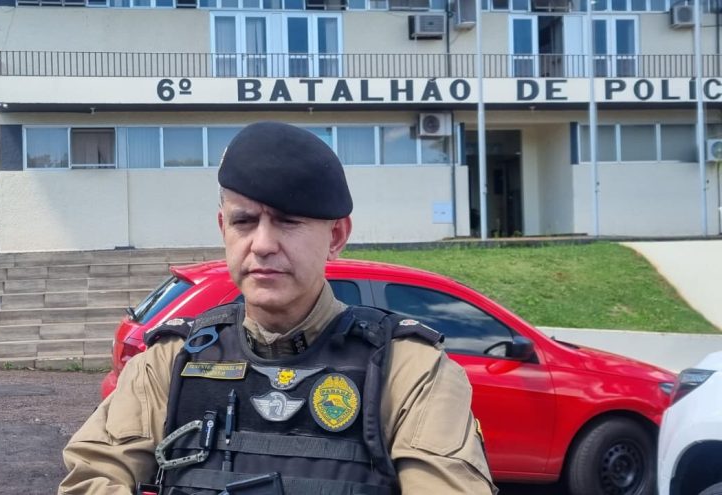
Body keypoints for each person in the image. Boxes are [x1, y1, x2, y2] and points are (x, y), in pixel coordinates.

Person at [59, 122, 496, 495]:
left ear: (336, 236)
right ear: (223, 228)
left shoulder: (409, 370)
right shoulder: (170, 361)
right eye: (244, 221)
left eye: (288, 221)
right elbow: (91, 477)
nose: (263, 244)